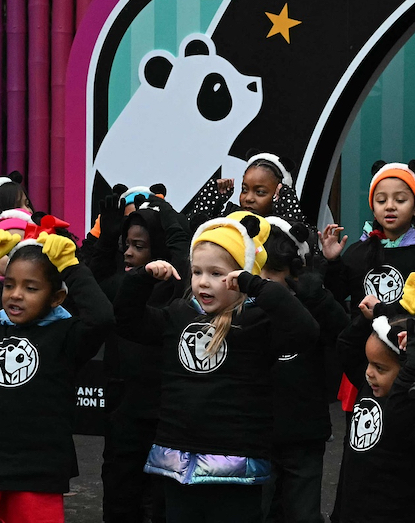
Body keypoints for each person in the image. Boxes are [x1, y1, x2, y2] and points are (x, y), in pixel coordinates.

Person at [115, 214, 319, 523]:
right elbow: (128, 322)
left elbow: (306, 332)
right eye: (196, 272)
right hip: (177, 461)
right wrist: (142, 278)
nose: (203, 282)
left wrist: (257, 286)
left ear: (239, 275)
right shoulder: (178, 314)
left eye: (216, 273)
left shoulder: (256, 322)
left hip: (236, 467)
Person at [0, 222, 114, 523]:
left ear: (56, 297)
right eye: (9, 285)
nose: (16, 295)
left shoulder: (65, 335)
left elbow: (102, 318)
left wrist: (71, 267)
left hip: (37, 474)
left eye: (31, 288)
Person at [84, 190, 191, 523]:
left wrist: (167, 212)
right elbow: (95, 285)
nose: (129, 253)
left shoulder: (174, 289)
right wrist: (107, 240)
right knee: (120, 496)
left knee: (158, 502)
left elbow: (181, 258)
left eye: (139, 246)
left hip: (164, 416)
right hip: (124, 413)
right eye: (126, 246)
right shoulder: (120, 286)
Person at [259, 218, 347, 523]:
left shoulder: (310, 307)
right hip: (258, 433)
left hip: (305, 434)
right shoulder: (247, 310)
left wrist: (319, 297)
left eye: (275, 274)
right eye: (260, 273)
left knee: (302, 513)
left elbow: (343, 334)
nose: (267, 282)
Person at [334, 309, 415, 523]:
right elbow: (345, 346)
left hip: (391, 512)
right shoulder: (369, 387)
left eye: (380, 368)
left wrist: (410, 372)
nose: (369, 373)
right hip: (351, 509)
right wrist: (369, 318)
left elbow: (398, 419)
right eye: (369, 364)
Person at [321, 160, 415, 310]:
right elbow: (335, 295)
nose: (389, 206)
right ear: (373, 208)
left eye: (400, 200)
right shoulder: (358, 252)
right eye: (381, 200)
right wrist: (333, 261)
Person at [183, 153, 304, 228]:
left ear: (279, 194)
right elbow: (191, 233)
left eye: (260, 192)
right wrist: (210, 199)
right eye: (244, 190)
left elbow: (297, 241)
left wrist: (288, 207)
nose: (248, 198)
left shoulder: (279, 232)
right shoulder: (228, 220)